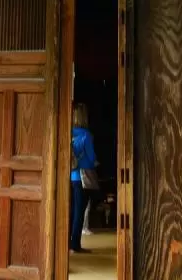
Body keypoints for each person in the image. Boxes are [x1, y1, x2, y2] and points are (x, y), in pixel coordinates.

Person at [70, 104, 97, 254]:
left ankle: (68, 242)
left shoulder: (69, 133)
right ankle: (75, 245)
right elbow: (91, 157)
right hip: (82, 177)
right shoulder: (86, 135)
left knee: (72, 210)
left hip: (70, 176)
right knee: (80, 211)